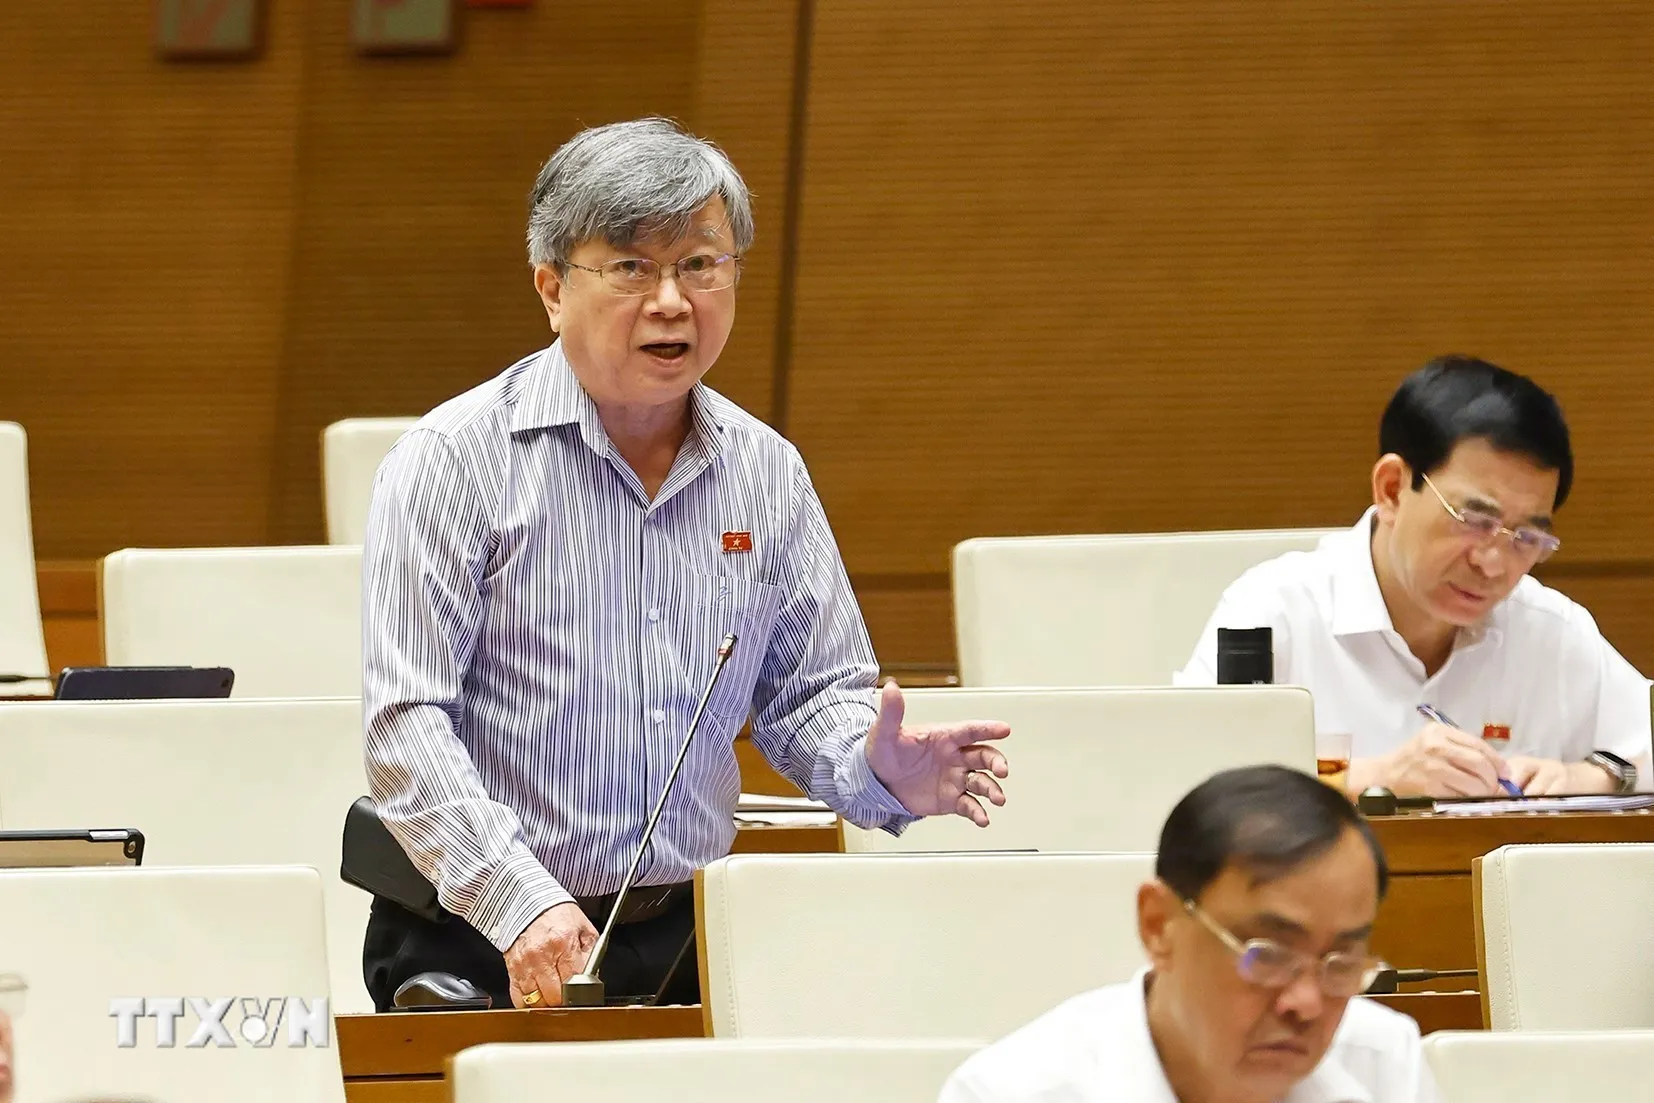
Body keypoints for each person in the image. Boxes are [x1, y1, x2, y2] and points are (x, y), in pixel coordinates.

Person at [361, 118, 1011, 1012]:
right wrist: (518, 901)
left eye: (701, 264)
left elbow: (810, 693)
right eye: (632, 267)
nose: (672, 301)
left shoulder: (766, 471)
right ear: (552, 287)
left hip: (687, 936)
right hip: (479, 934)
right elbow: (406, 725)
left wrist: (874, 764)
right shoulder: (453, 461)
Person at [1178, 356, 1651, 798]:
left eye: (1526, 537)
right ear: (1391, 490)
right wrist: (1375, 779)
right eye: (1474, 520)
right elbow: (1187, 778)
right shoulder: (1274, 611)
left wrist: (1592, 775)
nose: (1493, 564)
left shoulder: (1549, 630)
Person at [939, 765, 1436, 1103]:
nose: (1305, 1003)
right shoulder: (1009, 1092)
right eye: (1268, 955)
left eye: (1341, 964)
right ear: (1158, 925)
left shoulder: (1384, 1066)